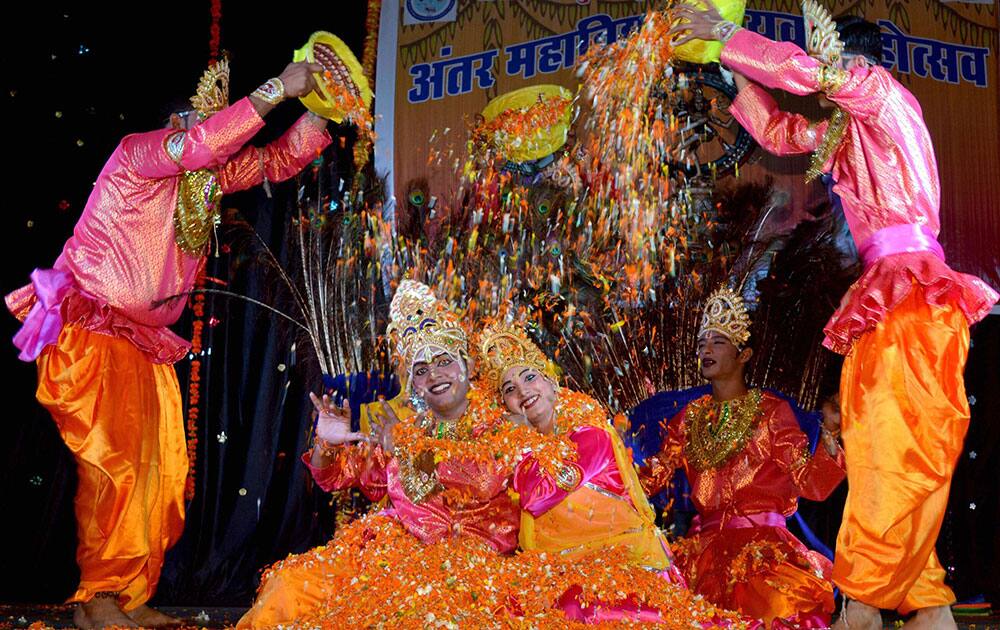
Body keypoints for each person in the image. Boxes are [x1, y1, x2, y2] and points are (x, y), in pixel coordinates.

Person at [670, 2, 999, 627]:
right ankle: (920, 598)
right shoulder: (849, 131)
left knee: (888, 444)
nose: (826, 78)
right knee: (888, 442)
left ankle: (863, 599)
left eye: (831, 62)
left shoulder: (882, 95)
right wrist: (732, 73)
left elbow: (811, 77)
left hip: (913, 296)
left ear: (851, 60)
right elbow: (782, 135)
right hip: (892, 298)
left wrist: (729, 35)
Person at [5, 56, 331, 628]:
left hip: (144, 340)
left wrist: (328, 106)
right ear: (177, 124)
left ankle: (130, 595)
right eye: (207, 124)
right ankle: (97, 598)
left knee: (162, 470)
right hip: (90, 328)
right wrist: (279, 87)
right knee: (118, 464)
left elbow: (276, 160)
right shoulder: (140, 152)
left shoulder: (203, 179)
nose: (220, 141)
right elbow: (206, 143)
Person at [639, 285, 846, 628]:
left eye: (717, 342)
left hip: (761, 554)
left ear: (744, 354)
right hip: (702, 556)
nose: (706, 349)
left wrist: (830, 438)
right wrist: (613, 449)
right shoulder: (688, 419)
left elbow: (811, 484)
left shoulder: (771, 412)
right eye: (702, 343)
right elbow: (651, 477)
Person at [478, 323, 709, 624]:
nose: (522, 391)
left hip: (624, 572)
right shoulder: (521, 449)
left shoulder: (590, 434)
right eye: (510, 390)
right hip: (559, 575)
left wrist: (520, 443)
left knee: (573, 609)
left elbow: (537, 495)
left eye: (530, 377)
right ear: (505, 405)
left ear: (551, 382)